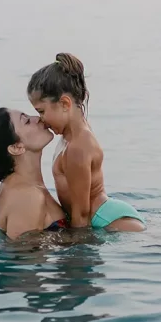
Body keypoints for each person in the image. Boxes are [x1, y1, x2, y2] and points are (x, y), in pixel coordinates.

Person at [27, 53, 145, 231]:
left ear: (65, 104)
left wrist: (73, 249)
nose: (40, 119)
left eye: (42, 111)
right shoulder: (70, 136)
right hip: (102, 215)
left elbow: (81, 216)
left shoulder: (78, 147)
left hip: (108, 220)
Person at [0, 107, 67, 238]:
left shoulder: (25, 188)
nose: (37, 118)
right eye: (26, 121)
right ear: (16, 148)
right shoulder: (27, 196)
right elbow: (24, 256)